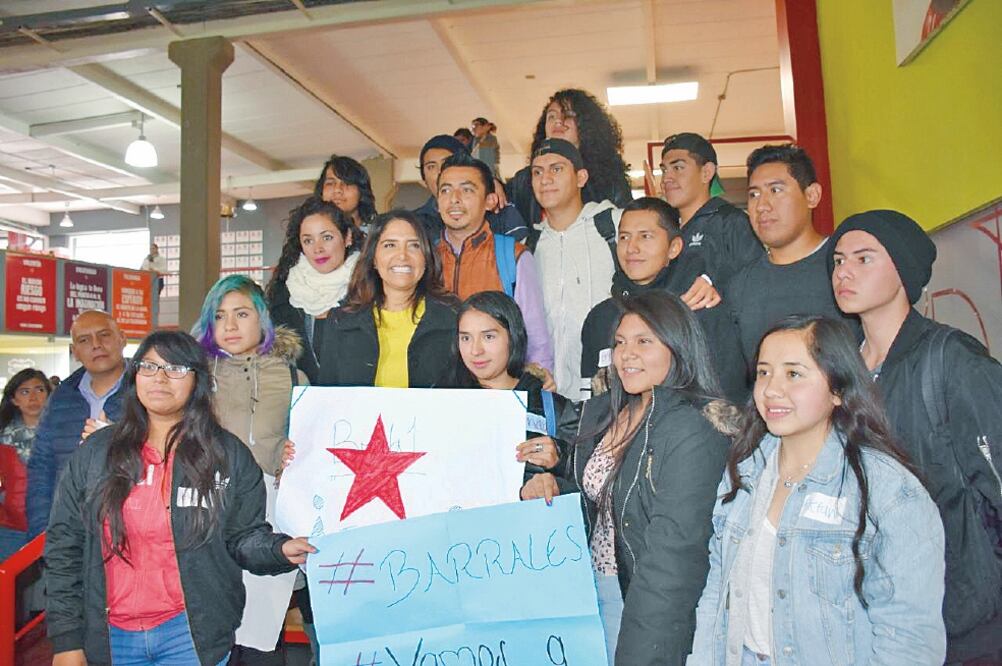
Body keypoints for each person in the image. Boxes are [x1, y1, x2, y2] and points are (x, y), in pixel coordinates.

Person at [44, 330, 315, 666]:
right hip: (109, 636)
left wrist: (279, 550)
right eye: (149, 367)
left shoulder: (226, 455)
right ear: (135, 376)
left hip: (189, 635)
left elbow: (243, 537)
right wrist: (67, 641)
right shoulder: (96, 455)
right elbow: (63, 547)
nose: (160, 379)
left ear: (198, 382)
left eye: (176, 369)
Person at [689, 315, 946, 665]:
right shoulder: (745, 471)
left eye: (793, 374)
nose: (772, 389)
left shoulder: (887, 491)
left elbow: (909, 638)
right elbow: (716, 593)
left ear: (838, 389)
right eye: (764, 372)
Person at [522, 291, 733, 665]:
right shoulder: (611, 409)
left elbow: (672, 560)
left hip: (637, 601)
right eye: (620, 342)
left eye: (644, 341)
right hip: (586, 589)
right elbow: (608, 483)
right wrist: (558, 466)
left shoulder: (693, 428)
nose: (626, 354)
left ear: (678, 345)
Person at [829, 210, 1002, 663]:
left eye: (864, 259)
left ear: (903, 271)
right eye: (839, 260)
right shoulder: (837, 371)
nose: (844, 270)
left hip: (962, 617)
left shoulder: (952, 361)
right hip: (870, 611)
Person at [192, 275, 310, 665]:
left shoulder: (294, 377)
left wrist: (296, 453)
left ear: (261, 319)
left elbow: (312, 442)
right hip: (209, 513)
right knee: (216, 631)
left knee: (264, 634)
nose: (229, 325)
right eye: (219, 315)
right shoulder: (194, 379)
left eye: (241, 314)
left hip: (273, 512)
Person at [581, 197, 747, 403]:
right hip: (617, 433)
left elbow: (728, 396)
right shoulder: (601, 317)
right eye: (624, 237)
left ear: (674, 248)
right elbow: (591, 404)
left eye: (645, 236)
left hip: (690, 432)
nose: (631, 248)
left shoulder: (700, 308)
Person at [728, 144, 856, 364]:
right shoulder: (740, 286)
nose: (761, 206)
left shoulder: (845, 267)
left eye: (776, 190)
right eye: (754, 194)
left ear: (812, 196)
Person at [435, 151, 553, 373]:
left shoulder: (513, 256)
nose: (454, 199)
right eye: (446, 190)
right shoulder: (425, 259)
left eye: (467, 189)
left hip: (498, 392)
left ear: (490, 201)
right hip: (437, 389)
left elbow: (536, 340)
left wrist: (537, 390)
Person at [318, 210, 457, 388]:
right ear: (373, 258)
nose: (402, 256)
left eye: (414, 245)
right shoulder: (340, 321)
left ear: (427, 257)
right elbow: (327, 400)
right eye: (390, 245)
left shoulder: (453, 317)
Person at [529, 137, 622, 398]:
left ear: (581, 177)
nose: (545, 179)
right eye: (537, 172)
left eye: (556, 169)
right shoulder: (530, 245)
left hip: (609, 390)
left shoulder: (614, 225)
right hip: (552, 392)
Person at [452, 291, 576, 485]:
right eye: (466, 338)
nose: (475, 350)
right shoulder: (443, 402)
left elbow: (592, 484)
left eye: (489, 337)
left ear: (513, 336)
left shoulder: (550, 406)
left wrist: (560, 460)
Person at [26, 310, 127, 537]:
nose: (96, 345)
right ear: (75, 352)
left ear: (123, 339)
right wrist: (43, 530)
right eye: (84, 340)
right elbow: (42, 466)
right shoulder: (61, 398)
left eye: (104, 335)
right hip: (69, 531)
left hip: (128, 530)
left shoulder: (147, 391)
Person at [659, 133, 764, 307]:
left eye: (677, 168)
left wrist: (719, 285)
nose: (666, 179)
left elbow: (758, 281)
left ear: (707, 172)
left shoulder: (730, 223)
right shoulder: (665, 229)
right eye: (664, 170)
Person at [506, 88, 632, 230]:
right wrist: (492, 183)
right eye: (551, 116)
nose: (558, 121)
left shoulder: (610, 180)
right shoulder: (523, 181)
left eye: (569, 115)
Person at [267, 197, 359, 383]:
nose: (318, 248)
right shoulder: (285, 294)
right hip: (304, 404)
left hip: (360, 404)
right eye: (308, 240)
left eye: (327, 237)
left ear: (347, 237)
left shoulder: (369, 287)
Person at [412, 134, 527, 240]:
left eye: (447, 162)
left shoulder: (497, 208)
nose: (439, 172)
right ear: (424, 177)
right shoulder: (414, 223)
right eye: (431, 167)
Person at [0, 368, 51, 559]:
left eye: (39, 390)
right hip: (11, 528)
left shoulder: (62, 434)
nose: (33, 397)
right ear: (14, 399)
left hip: (51, 525)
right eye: (24, 391)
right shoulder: (3, 436)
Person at [313, 154, 378, 233]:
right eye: (330, 183)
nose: (337, 189)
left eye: (347, 183)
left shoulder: (378, 234)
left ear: (361, 191)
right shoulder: (310, 232)